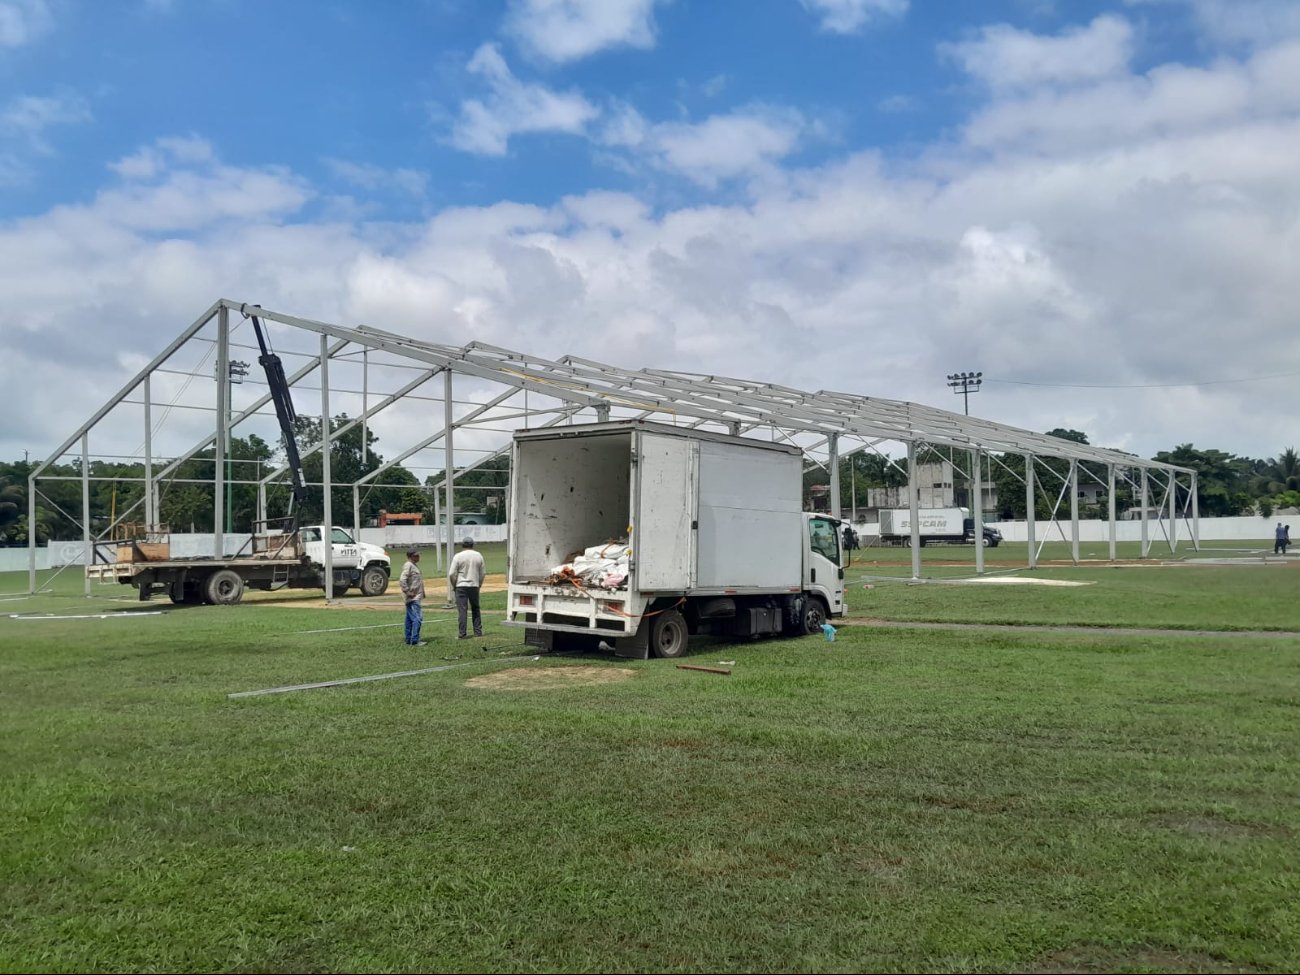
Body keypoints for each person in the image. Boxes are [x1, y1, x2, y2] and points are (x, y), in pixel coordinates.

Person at [448, 536, 486, 639]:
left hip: (461, 586)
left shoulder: (458, 556)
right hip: (474, 585)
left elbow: (451, 573)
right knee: (475, 608)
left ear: (462, 545)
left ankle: (462, 634)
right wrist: (479, 584)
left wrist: (454, 584)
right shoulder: (478, 555)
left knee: (462, 610)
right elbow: (483, 573)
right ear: (472, 545)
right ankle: (478, 632)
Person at [398, 547, 426, 646]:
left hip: (415, 596)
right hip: (412, 597)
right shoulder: (408, 565)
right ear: (410, 556)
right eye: (416, 555)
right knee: (418, 618)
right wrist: (407, 591)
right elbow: (402, 579)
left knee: (410, 619)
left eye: (418, 555)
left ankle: (408, 638)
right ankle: (414, 640)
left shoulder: (414, 566)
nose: (418, 557)